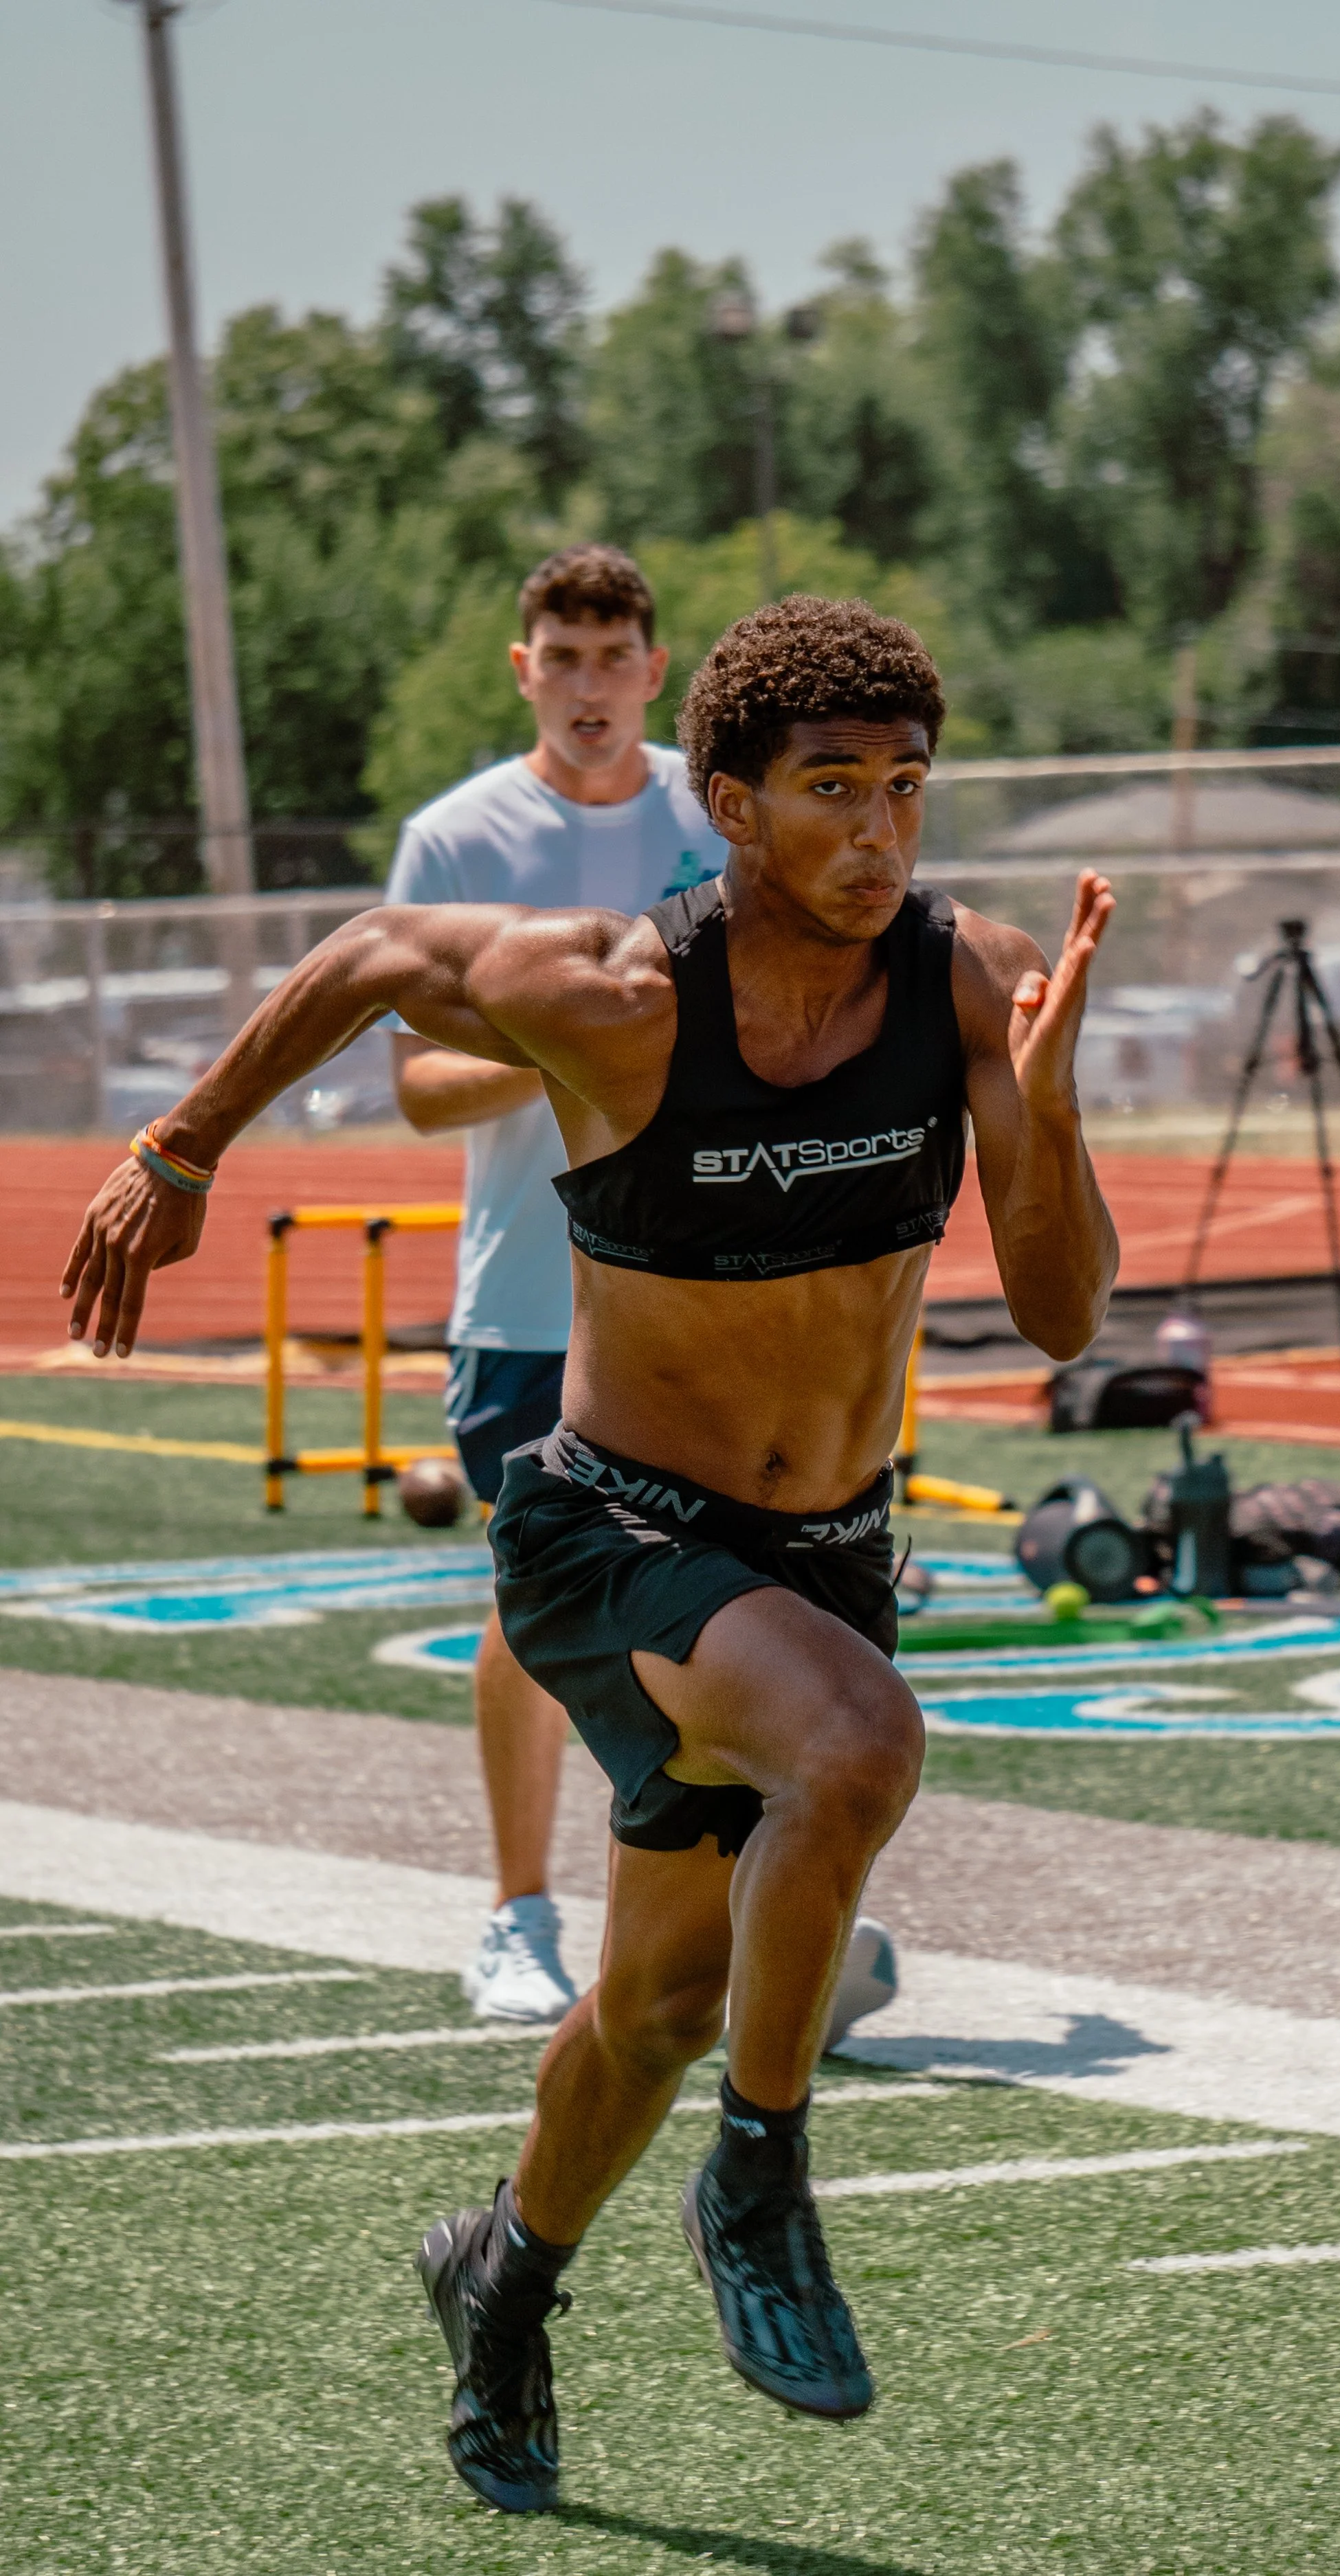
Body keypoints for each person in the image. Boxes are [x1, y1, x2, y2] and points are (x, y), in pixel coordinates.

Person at [61, 595, 1118, 2516]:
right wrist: (187, 1146)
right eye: (827, 792)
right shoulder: (625, 991)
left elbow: (1055, 1318)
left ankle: (504, 2269)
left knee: (649, 2003)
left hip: (824, 1546)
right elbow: (379, 950)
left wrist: (1044, 1118)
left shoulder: (968, 983)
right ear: (725, 802)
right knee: (857, 1745)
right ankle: (764, 2180)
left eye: (903, 788)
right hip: (611, 1527)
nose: (877, 831)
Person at [386, 541, 726, 2026]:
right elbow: (417, 1086)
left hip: (708, 1293)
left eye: (614, 657)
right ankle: (516, 1917)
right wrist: (567, 1035)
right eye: (561, 657)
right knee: (533, 1618)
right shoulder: (456, 840)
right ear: (523, 669)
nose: (589, 685)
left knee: (736, 1610)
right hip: (531, 1301)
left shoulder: (716, 813)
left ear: (656, 670)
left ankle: (743, 1907)